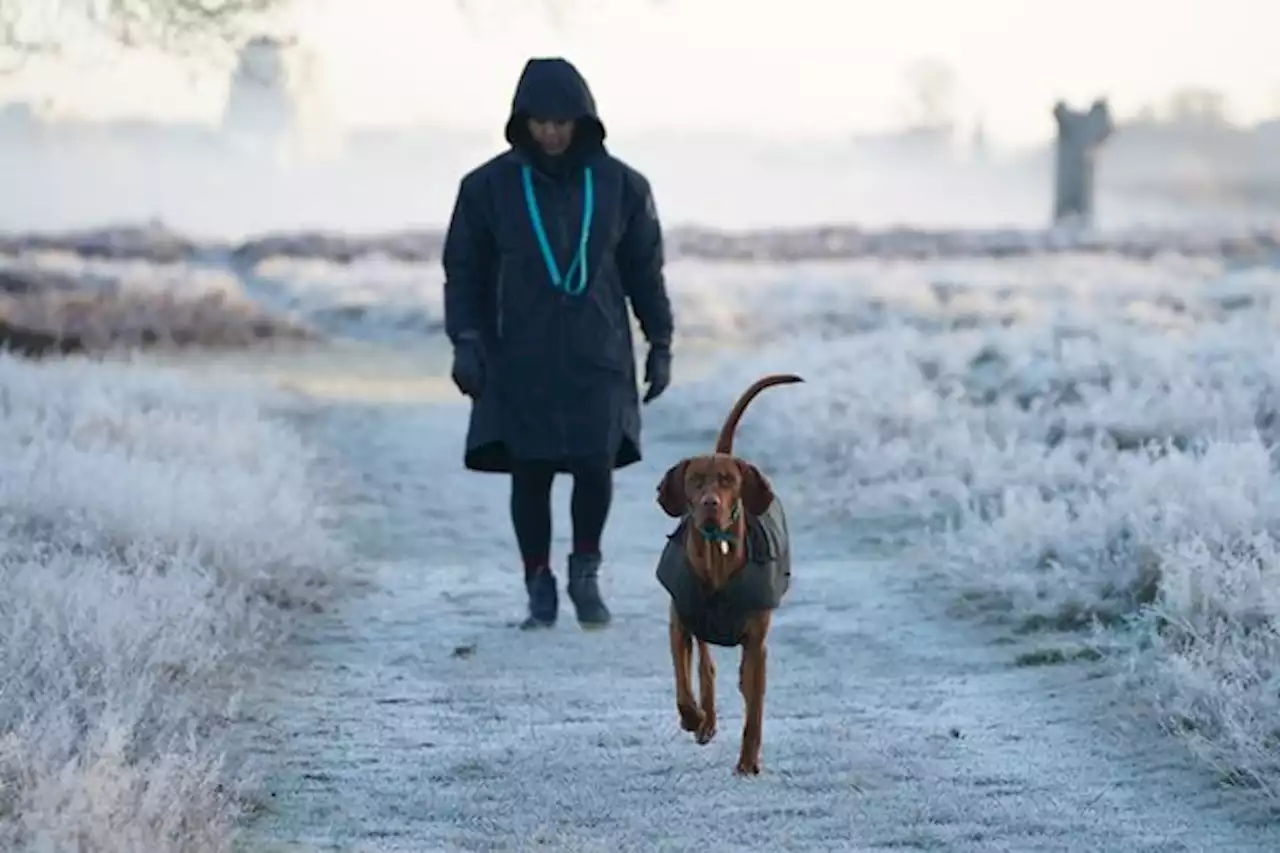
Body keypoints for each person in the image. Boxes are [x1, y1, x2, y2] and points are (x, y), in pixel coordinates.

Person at [442, 57, 675, 631]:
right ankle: (538, 584)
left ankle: (584, 576)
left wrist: (661, 339)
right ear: (522, 121)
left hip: (598, 352)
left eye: (561, 121)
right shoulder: (487, 187)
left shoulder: (622, 186)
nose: (550, 132)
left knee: (596, 466)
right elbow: (463, 271)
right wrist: (466, 341)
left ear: (583, 121)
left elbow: (645, 270)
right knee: (532, 470)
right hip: (518, 352)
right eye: (540, 121)